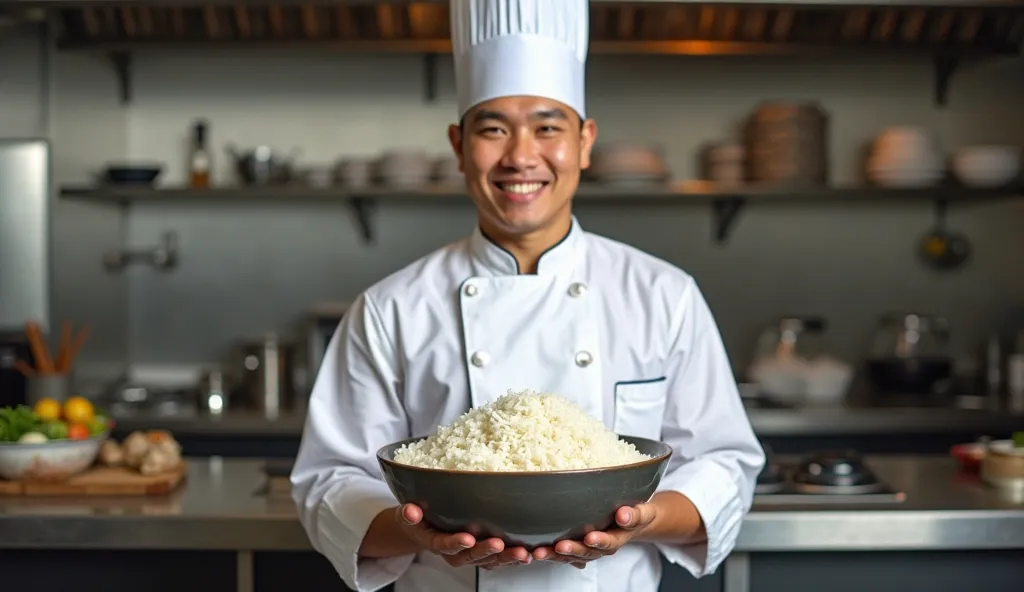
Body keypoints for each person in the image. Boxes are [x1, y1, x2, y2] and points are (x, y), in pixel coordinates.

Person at [290, 0, 765, 590]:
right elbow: (329, 483)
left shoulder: (664, 295)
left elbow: (725, 465)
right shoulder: (391, 309)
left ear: (585, 142)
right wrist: (413, 530)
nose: (520, 156)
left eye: (547, 127)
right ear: (458, 145)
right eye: (492, 128)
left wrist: (642, 521)